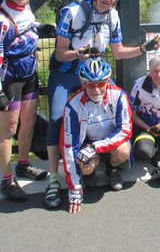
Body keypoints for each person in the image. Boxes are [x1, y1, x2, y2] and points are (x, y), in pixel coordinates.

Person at [44, 0, 159, 208]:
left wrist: (144, 48)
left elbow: (117, 52)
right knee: (56, 119)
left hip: (94, 74)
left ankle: (111, 162)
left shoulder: (113, 17)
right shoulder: (73, 13)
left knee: (120, 105)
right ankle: (53, 179)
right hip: (66, 72)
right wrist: (79, 53)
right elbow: (59, 53)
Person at [0, 0, 48, 201]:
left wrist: (41, 28)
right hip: (10, 80)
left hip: (29, 74)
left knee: (28, 122)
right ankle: (7, 180)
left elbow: (27, 24)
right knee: (8, 130)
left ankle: (23, 163)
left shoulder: (25, 9)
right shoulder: (0, 20)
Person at [60, 57, 132, 214]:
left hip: (107, 143)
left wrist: (95, 147)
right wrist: (74, 188)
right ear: (83, 84)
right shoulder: (72, 105)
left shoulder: (119, 96)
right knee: (85, 167)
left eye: (101, 84)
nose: (97, 89)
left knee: (124, 150)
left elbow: (125, 130)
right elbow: (68, 146)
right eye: (91, 85)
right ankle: (89, 173)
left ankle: (112, 169)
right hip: (88, 145)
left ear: (107, 81)